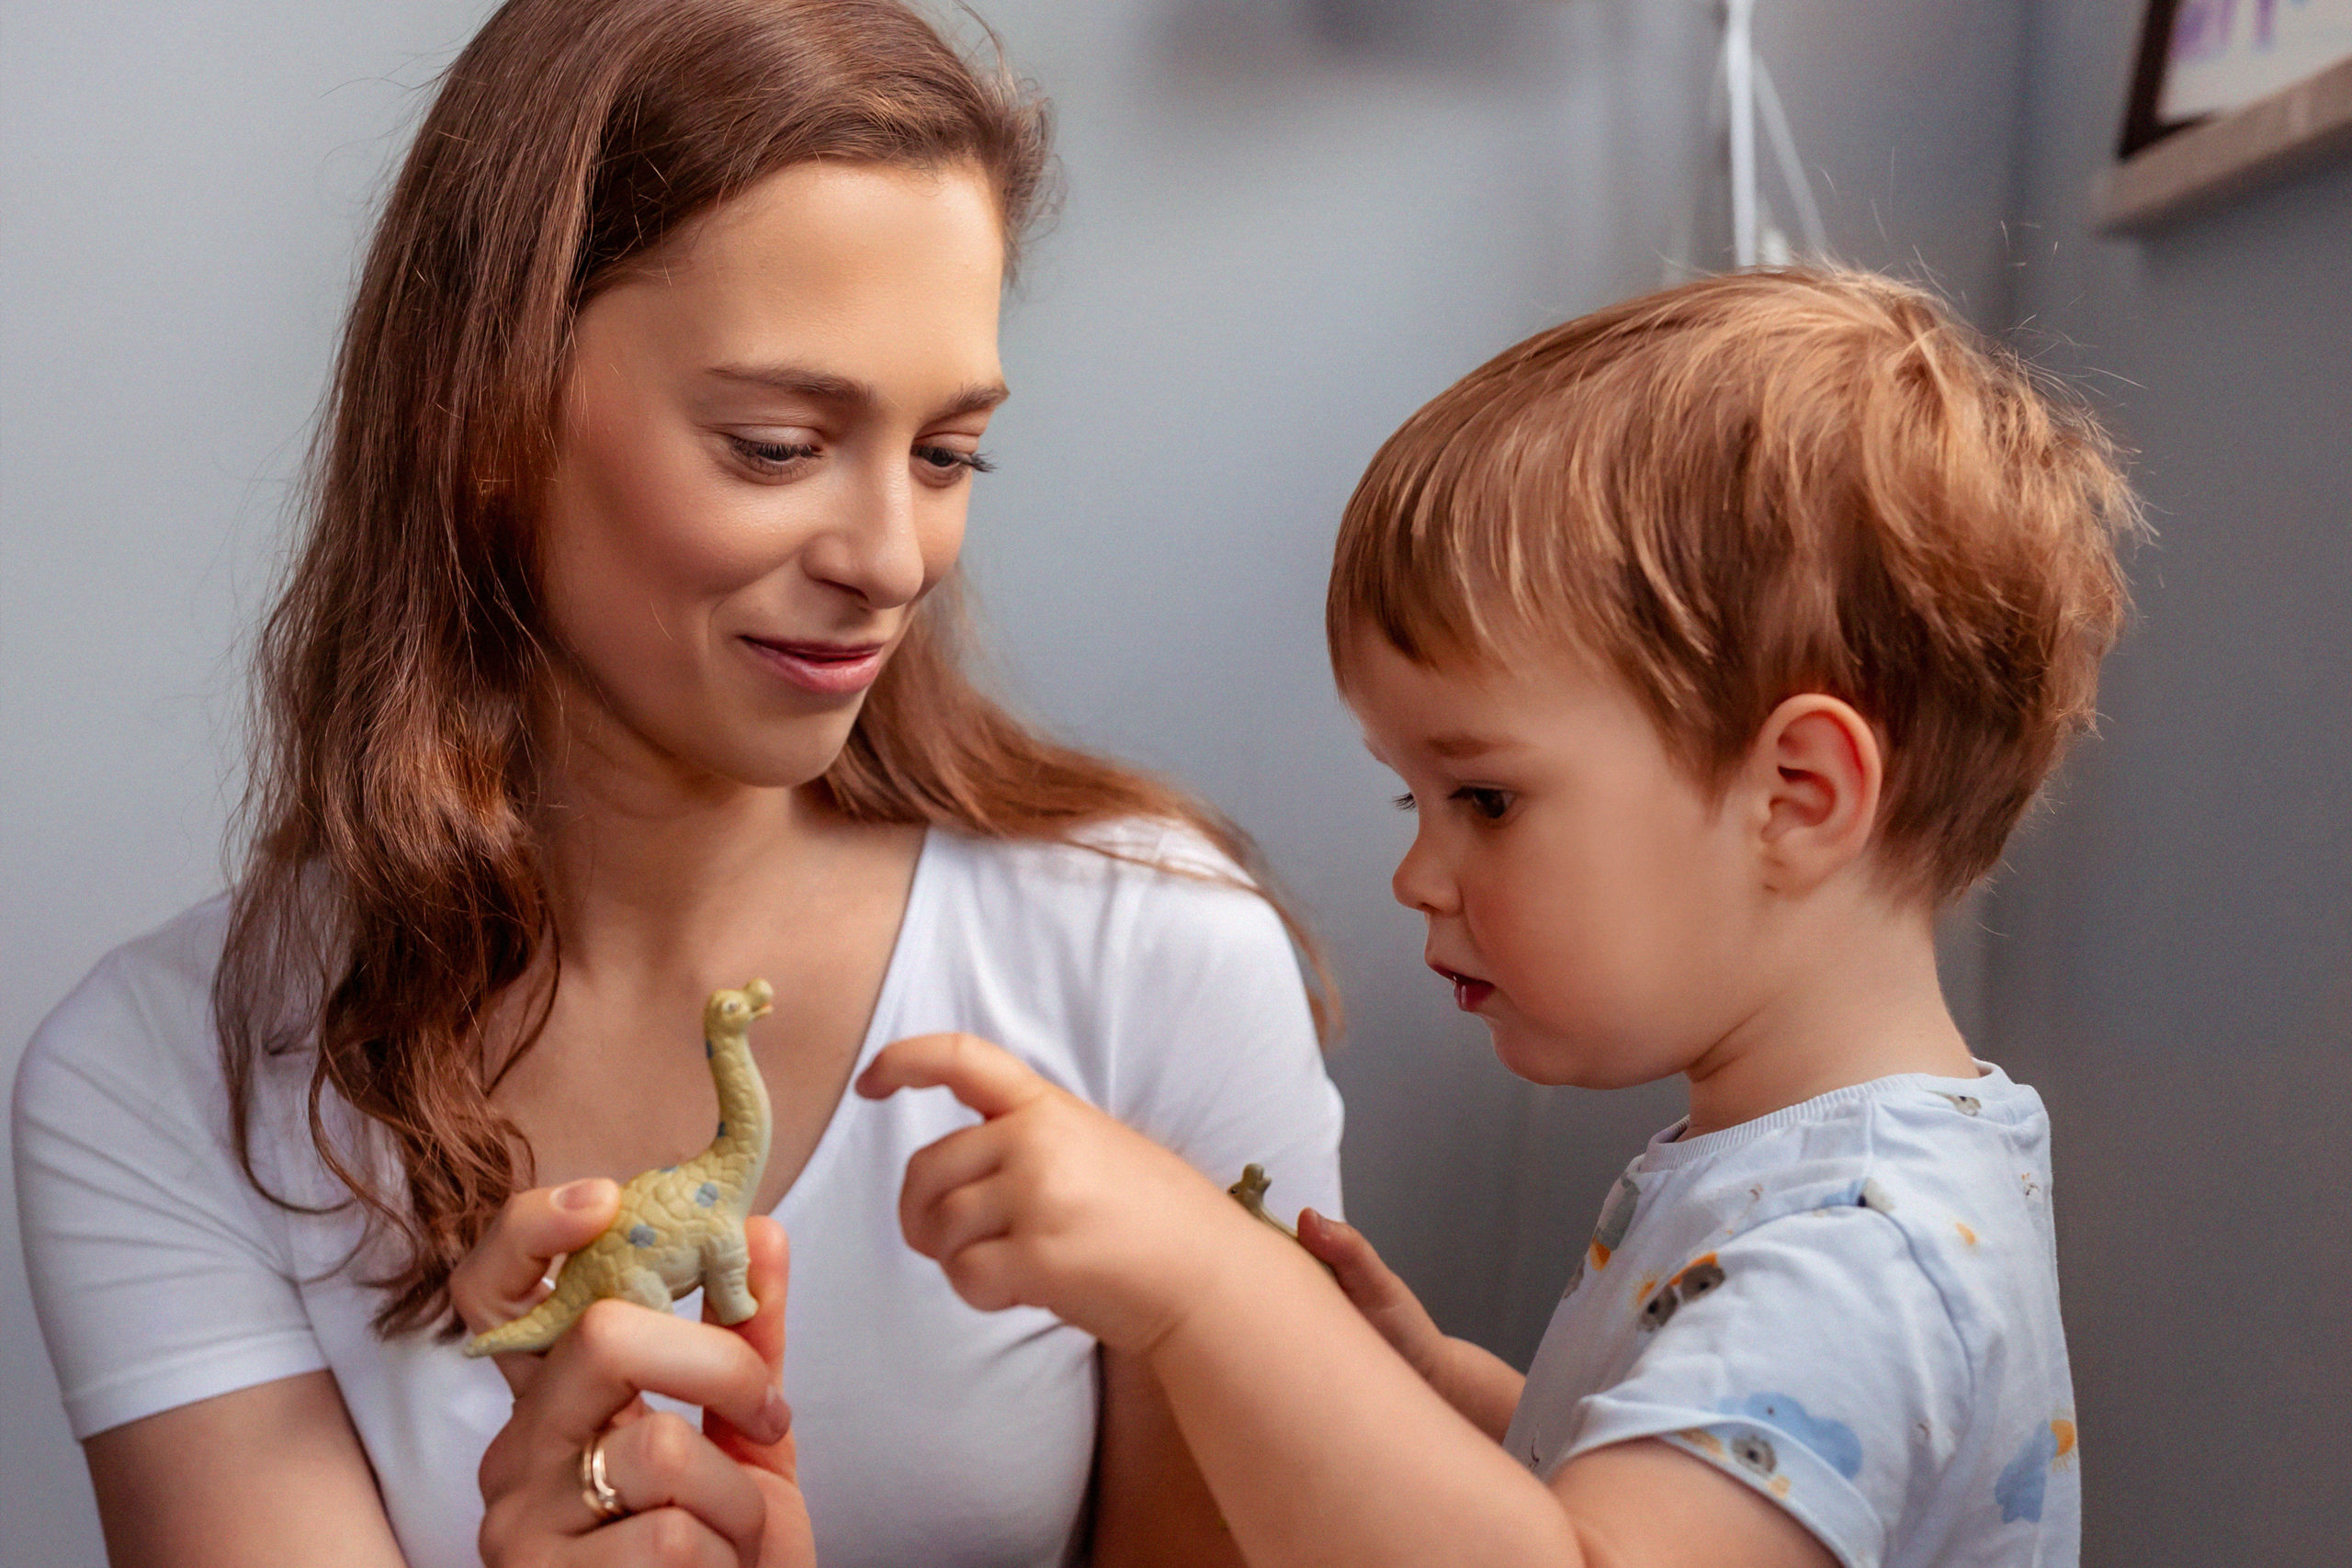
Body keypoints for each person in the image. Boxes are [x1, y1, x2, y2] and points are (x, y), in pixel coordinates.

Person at [10, 3, 1343, 1565]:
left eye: (947, 456)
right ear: (488, 422)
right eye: (778, 446)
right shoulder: (165, 1082)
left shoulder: (1157, 959)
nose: (888, 560)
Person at [856, 267, 2136, 1568]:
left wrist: (1210, 1288)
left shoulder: (1857, 1252)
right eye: (1408, 795)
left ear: (1796, 799)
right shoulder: (1812, 1180)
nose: (1420, 870)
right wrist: (1429, 1389)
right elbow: (1650, 1476)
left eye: (1484, 796)